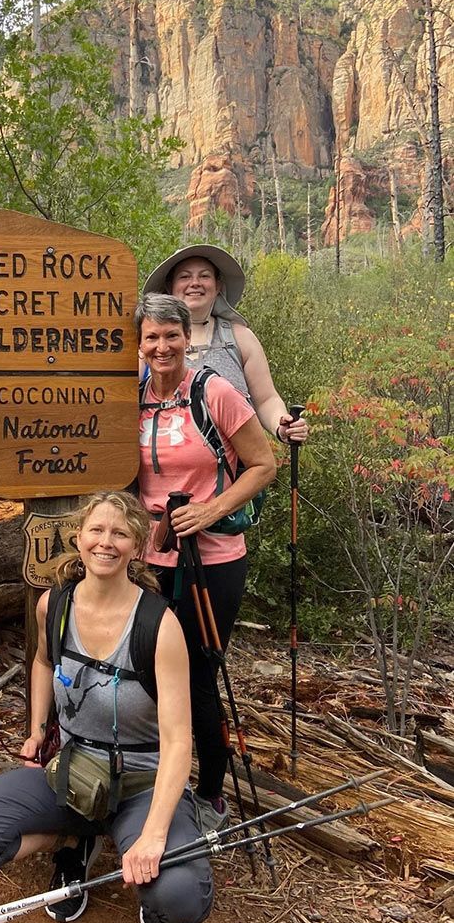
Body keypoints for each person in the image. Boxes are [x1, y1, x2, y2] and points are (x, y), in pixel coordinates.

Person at [0, 491, 213, 923]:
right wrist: (36, 730)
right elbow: (43, 662)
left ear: (136, 546)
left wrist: (152, 835)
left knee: (179, 898)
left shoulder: (159, 626)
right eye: (96, 529)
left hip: (142, 782)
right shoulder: (55, 606)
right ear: (79, 535)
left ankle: (141, 856)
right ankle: (74, 839)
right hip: (72, 772)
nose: (105, 542)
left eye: (120, 533)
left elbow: (178, 741)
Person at [135, 293, 276, 831]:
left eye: (171, 336)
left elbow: (262, 465)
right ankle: (152, 782)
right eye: (151, 337)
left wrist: (211, 508)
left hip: (213, 558)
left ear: (184, 340)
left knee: (195, 677)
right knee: (146, 672)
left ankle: (212, 791)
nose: (162, 346)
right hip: (149, 560)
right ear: (141, 344)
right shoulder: (133, 400)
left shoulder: (213, 392)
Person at [142, 245, 308, 445]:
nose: (195, 283)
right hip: (164, 467)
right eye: (185, 277)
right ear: (170, 286)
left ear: (218, 285)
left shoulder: (240, 338)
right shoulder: (146, 344)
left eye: (204, 276)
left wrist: (281, 425)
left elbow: (265, 399)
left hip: (238, 471)